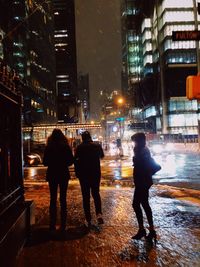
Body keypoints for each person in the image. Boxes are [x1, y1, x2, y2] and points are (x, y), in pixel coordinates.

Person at [43, 129, 74, 232]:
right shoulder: (66, 147)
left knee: (53, 199)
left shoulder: (49, 147)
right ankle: (63, 225)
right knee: (63, 199)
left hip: (52, 174)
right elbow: (70, 161)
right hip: (63, 174)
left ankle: (52, 225)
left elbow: (45, 162)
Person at [74, 131, 104, 227]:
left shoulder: (79, 148)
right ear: (90, 137)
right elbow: (102, 156)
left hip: (84, 175)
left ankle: (88, 218)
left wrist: (77, 173)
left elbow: (75, 161)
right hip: (95, 174)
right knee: (96, 194)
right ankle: (99, 214)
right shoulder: (97, 145)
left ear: (82, 138)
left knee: (86, 197)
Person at [131, 132, 156, 242]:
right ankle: (149, 229)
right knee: (143, 204)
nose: (134, 144)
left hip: (143, 182)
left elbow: (143, 167)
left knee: (138, 204)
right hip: (141, 182)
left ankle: (146, 230)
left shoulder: (143, 151)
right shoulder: (140, 150)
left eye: (135, 141)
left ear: (139, 141)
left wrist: (136, 160)